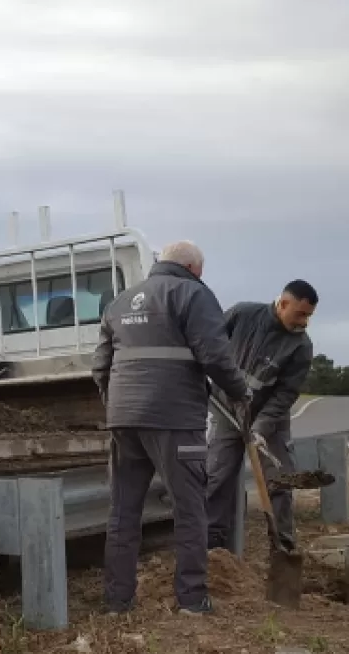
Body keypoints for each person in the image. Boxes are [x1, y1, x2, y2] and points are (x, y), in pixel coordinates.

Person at [92, 240, 251, 616]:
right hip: (175, 419)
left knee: (122, 512)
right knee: (190, 509)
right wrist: (241, 392)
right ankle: (192, 600)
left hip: (123, 419)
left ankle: (118, 601)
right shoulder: (194, 295)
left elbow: (100, 366)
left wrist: (118, 403)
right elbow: (214, 355)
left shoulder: (120, 301)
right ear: (194, 268)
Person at [205, 280, 318, 552]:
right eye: (300, 314)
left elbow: (286, 394)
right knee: (217, 479)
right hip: (226, 412)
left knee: (280, 480)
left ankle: (283, 547)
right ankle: (213, 547)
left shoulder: (301, 346)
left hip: (271, 420)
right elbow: (208, 342)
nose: (304, 322)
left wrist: (261, 428)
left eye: (309, 316)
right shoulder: (243, 314)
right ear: (282, 304)